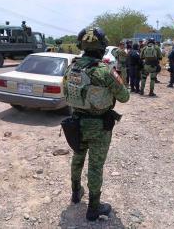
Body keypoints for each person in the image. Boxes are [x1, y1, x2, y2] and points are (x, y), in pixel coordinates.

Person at [62, 27, 130, 221]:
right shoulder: (105, 71)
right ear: (101, 48)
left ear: (81, 46)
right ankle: (93, 207)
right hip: (99, 126)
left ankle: (76, 192)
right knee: (95, 166)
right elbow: (124, 97)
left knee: (78, 156)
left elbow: (65, 91)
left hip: (76, 123)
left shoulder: (71, 67)